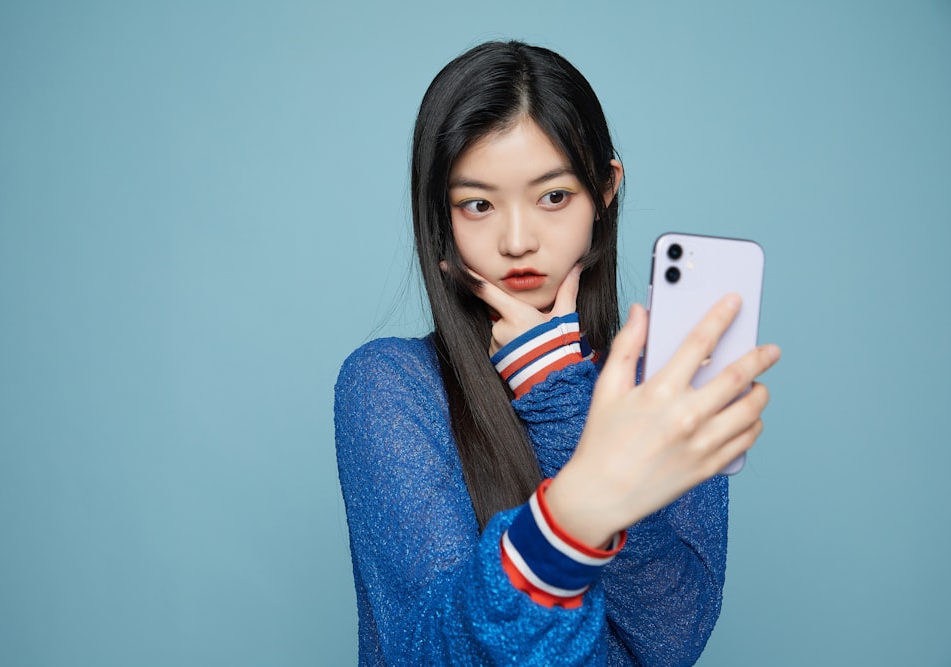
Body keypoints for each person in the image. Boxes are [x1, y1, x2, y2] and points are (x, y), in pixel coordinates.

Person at [334, 40, 779, 666]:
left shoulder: (661, 390)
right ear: (444, 217)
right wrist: (568, 515)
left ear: (604, 190)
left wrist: (561, 390)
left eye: (553, 197)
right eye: (479, 205)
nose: (518, 241)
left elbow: (673, 640)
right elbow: (425, 653)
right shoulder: (391, 384)